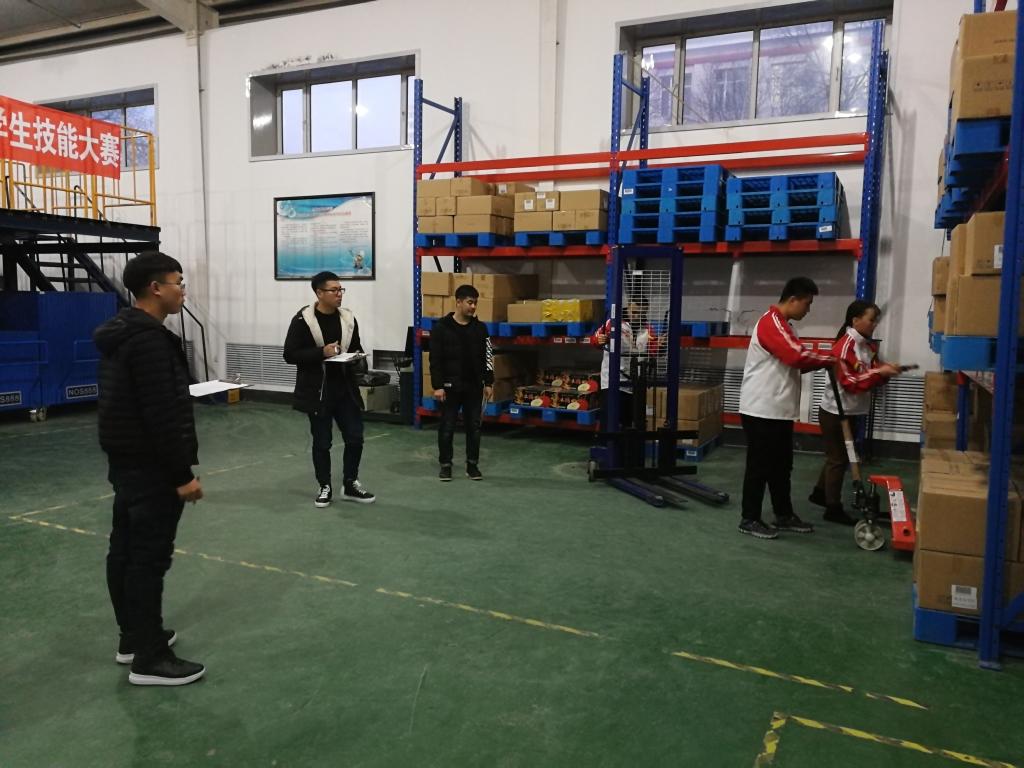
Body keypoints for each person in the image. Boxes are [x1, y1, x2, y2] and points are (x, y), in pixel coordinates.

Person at [94, 251, 205, 686]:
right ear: (156, 288)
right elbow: (162, 415)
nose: (183, 291)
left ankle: (134, 637)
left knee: (124, 549)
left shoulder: (122, 334)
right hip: (152, 467)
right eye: (179, 282)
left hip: (126, 462)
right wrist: (182, 476)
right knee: (147, 559)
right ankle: (150, 658)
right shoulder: (149, 342)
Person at [738, 277, 834, 540]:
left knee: (781, 466)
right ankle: (749, 518)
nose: (808, 310)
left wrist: (826, 361)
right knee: (759, 467)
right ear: (793, 300)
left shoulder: (786, 327)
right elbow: (796, 356)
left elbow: (795, 362)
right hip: (761, 410)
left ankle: (783, 514)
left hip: (777, 410)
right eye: (807, 303)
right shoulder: (771, 323)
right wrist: (830, 359)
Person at [284, 271, 376, 506]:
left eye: (340, 290)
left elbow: (355, 346)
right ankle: (324, 485)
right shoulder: (303, 320)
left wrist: (357, 357)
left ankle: (350, 483)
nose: (339, 294)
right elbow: (290, 354)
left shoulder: (348, 318)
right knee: (322, 441)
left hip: (345, 389)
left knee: (355, 437)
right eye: (333, 290)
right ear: (319, 293)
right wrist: (321, 352)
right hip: (318, 391)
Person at [809, 300, 902, 525]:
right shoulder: (844, 347)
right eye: (871, 320)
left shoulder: (867, 346)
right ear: (855, 320)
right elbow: (851, 383)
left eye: (876, 320)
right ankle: (832, 509)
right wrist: (880, 373)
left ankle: (820, 493)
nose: (875, 324)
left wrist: (884, 372)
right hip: (835, 412)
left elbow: (872, 372)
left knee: (836, 455)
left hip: (850, 410)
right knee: (838, 459)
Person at [429, 283, 494, 481]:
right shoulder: (441, 328)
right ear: (458, 302)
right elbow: (435, 360)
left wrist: (489, 382)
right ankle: (445, 465)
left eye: (475, 303)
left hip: (474, 386)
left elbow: (488, 356)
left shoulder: (481, 329)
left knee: (474, 428)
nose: (473, 307)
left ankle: (472, 465)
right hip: (450, 387)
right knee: (447, 427)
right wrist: (438, 386)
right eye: (469, 302)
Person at [592, 298, 656, 429]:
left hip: (635, 383)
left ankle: (627, 442)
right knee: (610, 422)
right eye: (635, 312)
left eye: (642, 313)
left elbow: (654, 349)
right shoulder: (613, 323)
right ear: (628, 308)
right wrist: (600, 340)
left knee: (630, 424)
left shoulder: (647, 329)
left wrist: (660, 345)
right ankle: (607, 442)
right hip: (612, 381)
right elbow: (595, 340)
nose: (638, 316)